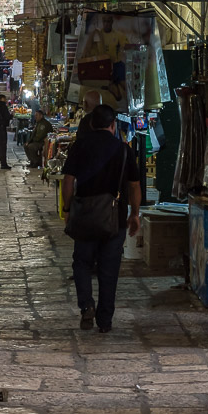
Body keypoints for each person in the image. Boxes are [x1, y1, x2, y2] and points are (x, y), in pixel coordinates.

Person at [61, 104, 141, 333]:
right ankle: (105, 321)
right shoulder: (124, 150)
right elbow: (134, 186)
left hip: (85, 216)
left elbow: (68, 182)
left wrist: (67, 209)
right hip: (114, 218)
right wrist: (135, 214)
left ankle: (86, 304)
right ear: (113, 125)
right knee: (109, 268)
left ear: (92, 124)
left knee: (82, 263)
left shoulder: (79, 147)